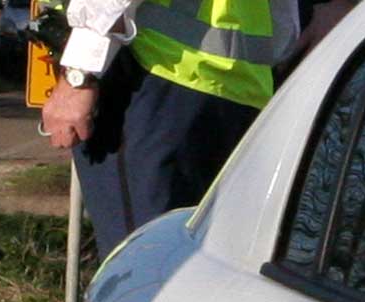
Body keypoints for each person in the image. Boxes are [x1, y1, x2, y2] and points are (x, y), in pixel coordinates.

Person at [39, 0, 299, 256]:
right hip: (241, 86)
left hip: (153, 72)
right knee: (209, 268)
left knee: (143, 270)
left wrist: (80, 74)